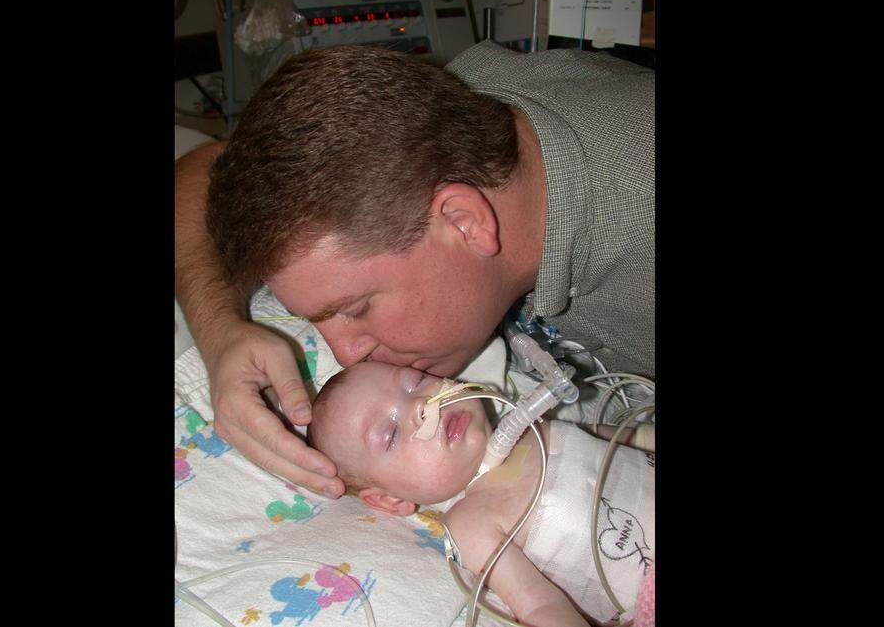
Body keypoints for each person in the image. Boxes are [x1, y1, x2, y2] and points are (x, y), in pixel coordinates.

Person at [174, 41, 654, 500]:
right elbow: (201, 166)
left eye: (358, 308)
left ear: (463, 223)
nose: (346, 354)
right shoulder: (454, 98)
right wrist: (220, 332)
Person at [306, 360, 655, 627]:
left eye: (415, 383)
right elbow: (539, 605)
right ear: (389, 499)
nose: (423, 406)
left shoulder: (532, 429)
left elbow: (620, 436)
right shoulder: (470, 523)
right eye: (391, 435)